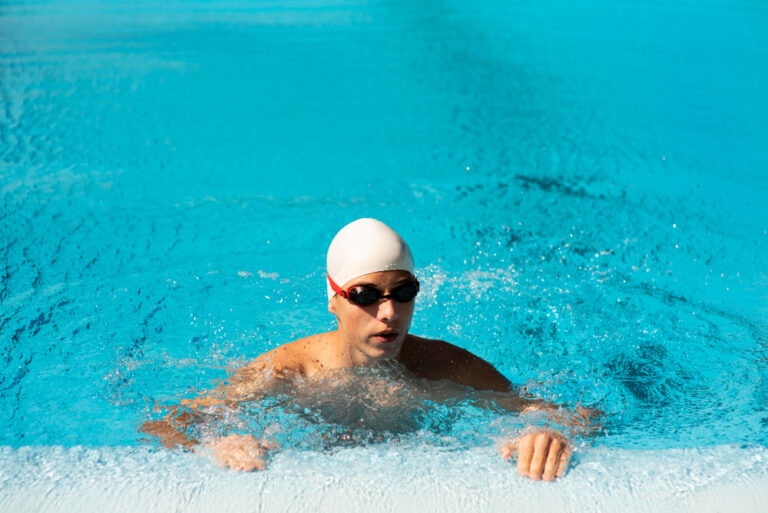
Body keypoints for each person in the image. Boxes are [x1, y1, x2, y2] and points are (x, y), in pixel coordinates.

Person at [142, 218, 596, 481]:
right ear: (334, 298)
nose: (388, 313)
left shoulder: (446, 366)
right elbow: (166, 425)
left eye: (403, 292)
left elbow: (576, 414)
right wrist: (216, 443)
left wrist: (549, 433)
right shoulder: (289, 371)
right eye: (365, 295)